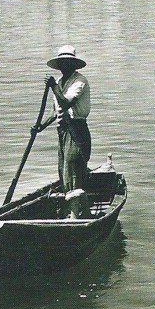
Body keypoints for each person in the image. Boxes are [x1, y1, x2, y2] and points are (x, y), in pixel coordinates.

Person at [31, 45, 92, 218]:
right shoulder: (60, 83)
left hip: (77, 131)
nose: (64, 66)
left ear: (73, 65)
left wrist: (53, 88)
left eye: (67, 62)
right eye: (62, 63)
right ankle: (77, 210)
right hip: (63, 131)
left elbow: (65, 103)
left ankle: (75, 215)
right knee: (63, 170)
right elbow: (56, 111)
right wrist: (40, 127)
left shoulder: (80, 81)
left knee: (72, 168)